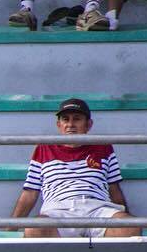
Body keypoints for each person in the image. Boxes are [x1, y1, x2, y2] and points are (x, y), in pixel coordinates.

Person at [10, 98, 139, 238]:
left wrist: (124, 215)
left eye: (77, 119)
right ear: (59, 124)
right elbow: (30, 192)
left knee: (130, 227)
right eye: (65, 119)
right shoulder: (44, 148)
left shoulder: (103, 147)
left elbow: (114, 188)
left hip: (97, 208)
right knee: (34, 229)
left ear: (88, 124)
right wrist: (10, 230)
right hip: (57, 211)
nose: (70, 124)